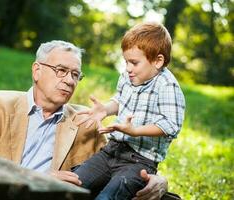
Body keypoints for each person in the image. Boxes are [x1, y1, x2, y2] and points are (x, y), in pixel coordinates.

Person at [0, 40, 169, 199]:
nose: (70, 81)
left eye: (75, 75)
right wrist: (37, 179)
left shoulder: (85, 121)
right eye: (61, 71)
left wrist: (160, 180)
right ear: (37, 71)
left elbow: (118, 162)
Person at [74, 22, 185, 200]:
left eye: (134, 62)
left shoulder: (167, 85)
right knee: (73, 184)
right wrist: (105, 109)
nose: (128, 68)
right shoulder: (128, 77)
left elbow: (171, 125)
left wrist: (134, 131)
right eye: (126, 61)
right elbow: (120, 100)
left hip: (139, 162)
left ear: (158, 61)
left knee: (107, 197)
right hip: (111, 151)